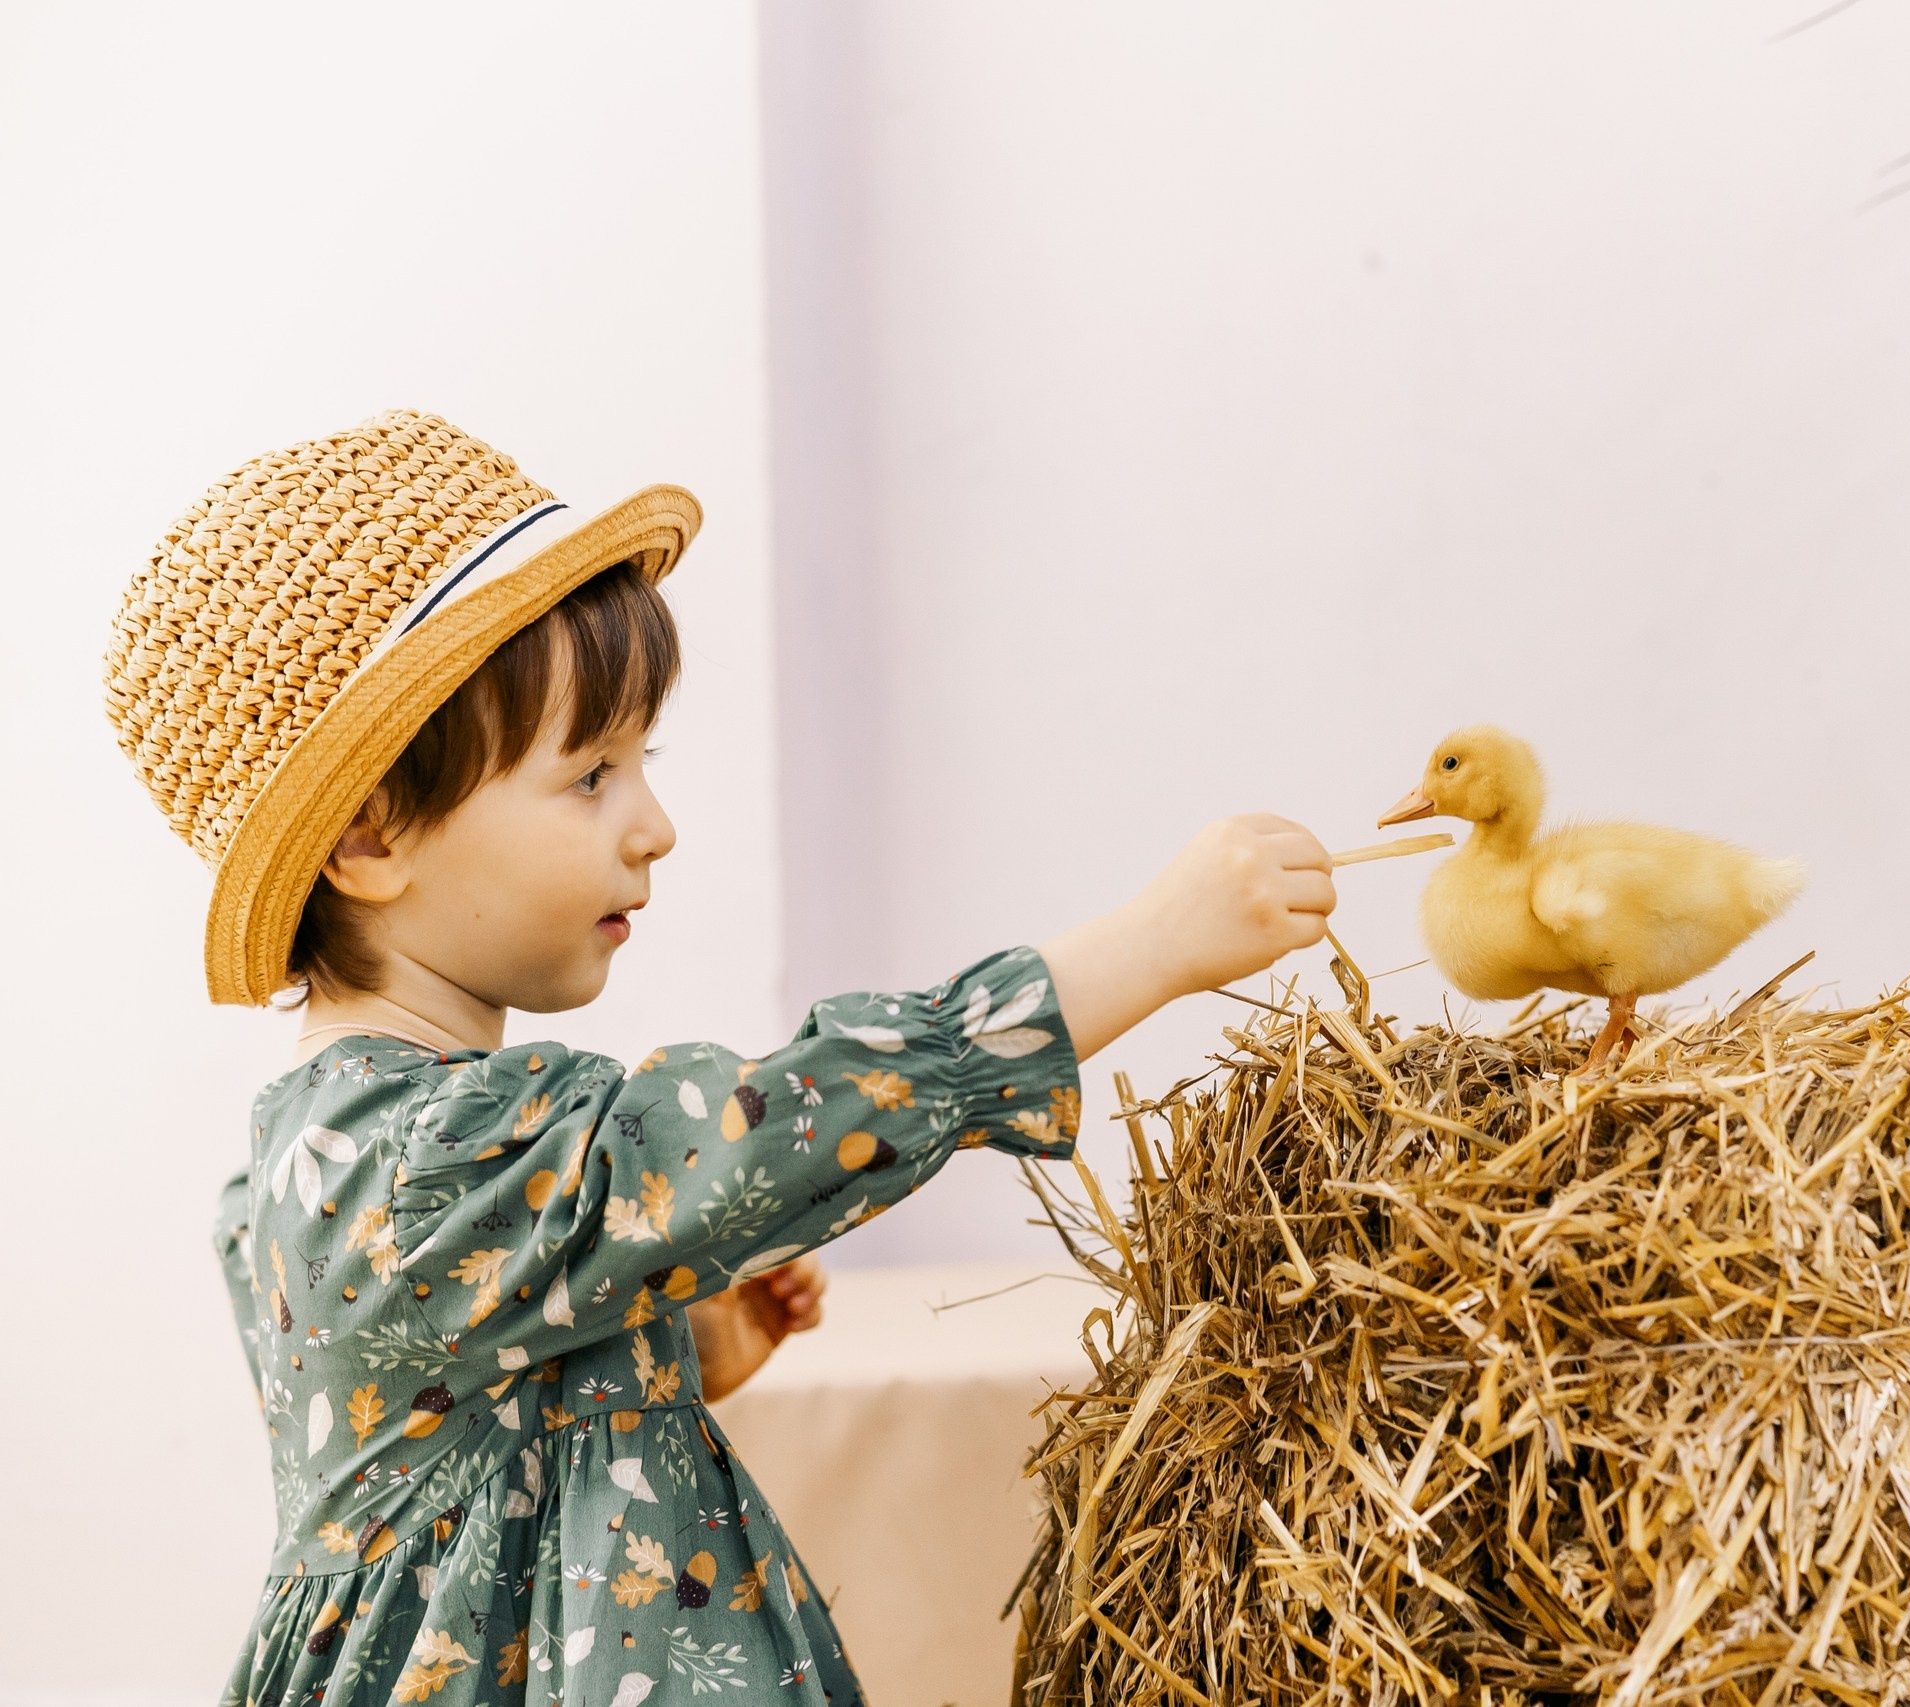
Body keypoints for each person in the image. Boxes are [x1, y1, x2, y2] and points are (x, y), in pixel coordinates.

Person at [102, 411, 1337, 1705]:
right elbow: (763, 1130)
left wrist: (655, 1353)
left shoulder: (330, 1151)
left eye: (644, 761)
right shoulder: (429, 1160)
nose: (656, 826)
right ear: (370, 840)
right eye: (591, 775)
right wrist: (1150, 946)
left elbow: (444, 1431)